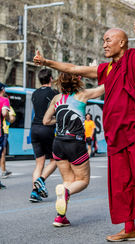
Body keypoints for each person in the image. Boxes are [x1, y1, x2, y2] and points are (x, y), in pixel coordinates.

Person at [34, 19, 135, 243]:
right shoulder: (107, 69)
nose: (104, 44)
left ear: (122, 42)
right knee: (121, 182)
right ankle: (129, 227)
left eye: (108, 40)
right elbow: (74, 69)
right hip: (115, 134)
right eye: (103, 41)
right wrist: (47, 62)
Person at [43, 73, 104, 227]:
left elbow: (45, 121)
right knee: (83, 181)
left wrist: (61, 118)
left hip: (58, 143)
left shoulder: (56, 99)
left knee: (68, 182)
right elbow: (104, 88)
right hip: (75, 144)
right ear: (77, 80)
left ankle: (60, 217)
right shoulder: (83, 94)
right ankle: (66, 194)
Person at [29, 68, 57, 202]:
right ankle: (41, 181)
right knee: (55, 160)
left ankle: (34, 192)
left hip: (34, 128)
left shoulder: (34, 93)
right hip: (47, 128)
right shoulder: (53, 93)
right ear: (51, 79)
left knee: (39, 164)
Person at [1, 95, 16, 178]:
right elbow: (12, 118)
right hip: (3, 131)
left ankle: (2, 171)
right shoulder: (7, 106)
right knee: (2, 152)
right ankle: (3, 171)